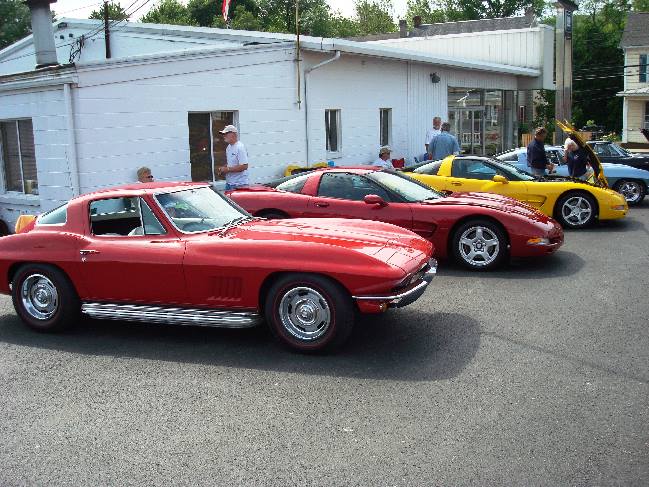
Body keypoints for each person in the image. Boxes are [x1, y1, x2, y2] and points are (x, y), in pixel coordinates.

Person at [218, 125, 249, 190]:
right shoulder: (229, 147)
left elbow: (244, 166)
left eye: (226, 134)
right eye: (223, 134)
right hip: (229, 183)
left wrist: (227, 169)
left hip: (239, 185)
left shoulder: (240, 147)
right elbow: (231, 163)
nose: (224, 136)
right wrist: (223, 168)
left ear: (233, 134)